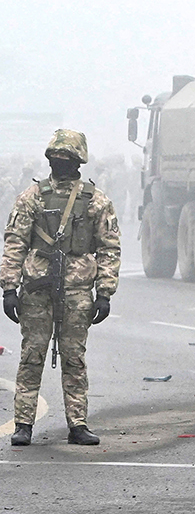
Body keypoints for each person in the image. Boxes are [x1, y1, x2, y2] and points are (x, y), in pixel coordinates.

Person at [2, 130, 120, 446]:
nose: (60, 163)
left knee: (74, 358)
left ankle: (77, 423)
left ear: (78, 161)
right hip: (38, 290)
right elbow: (15, 243)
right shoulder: (31, 197)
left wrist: (105, 292)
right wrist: (9, 287)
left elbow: (109, 247)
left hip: (77, 291)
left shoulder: (96, 201)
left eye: (66, 158)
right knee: (32, 356)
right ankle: (23, 424)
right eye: (56, 157)